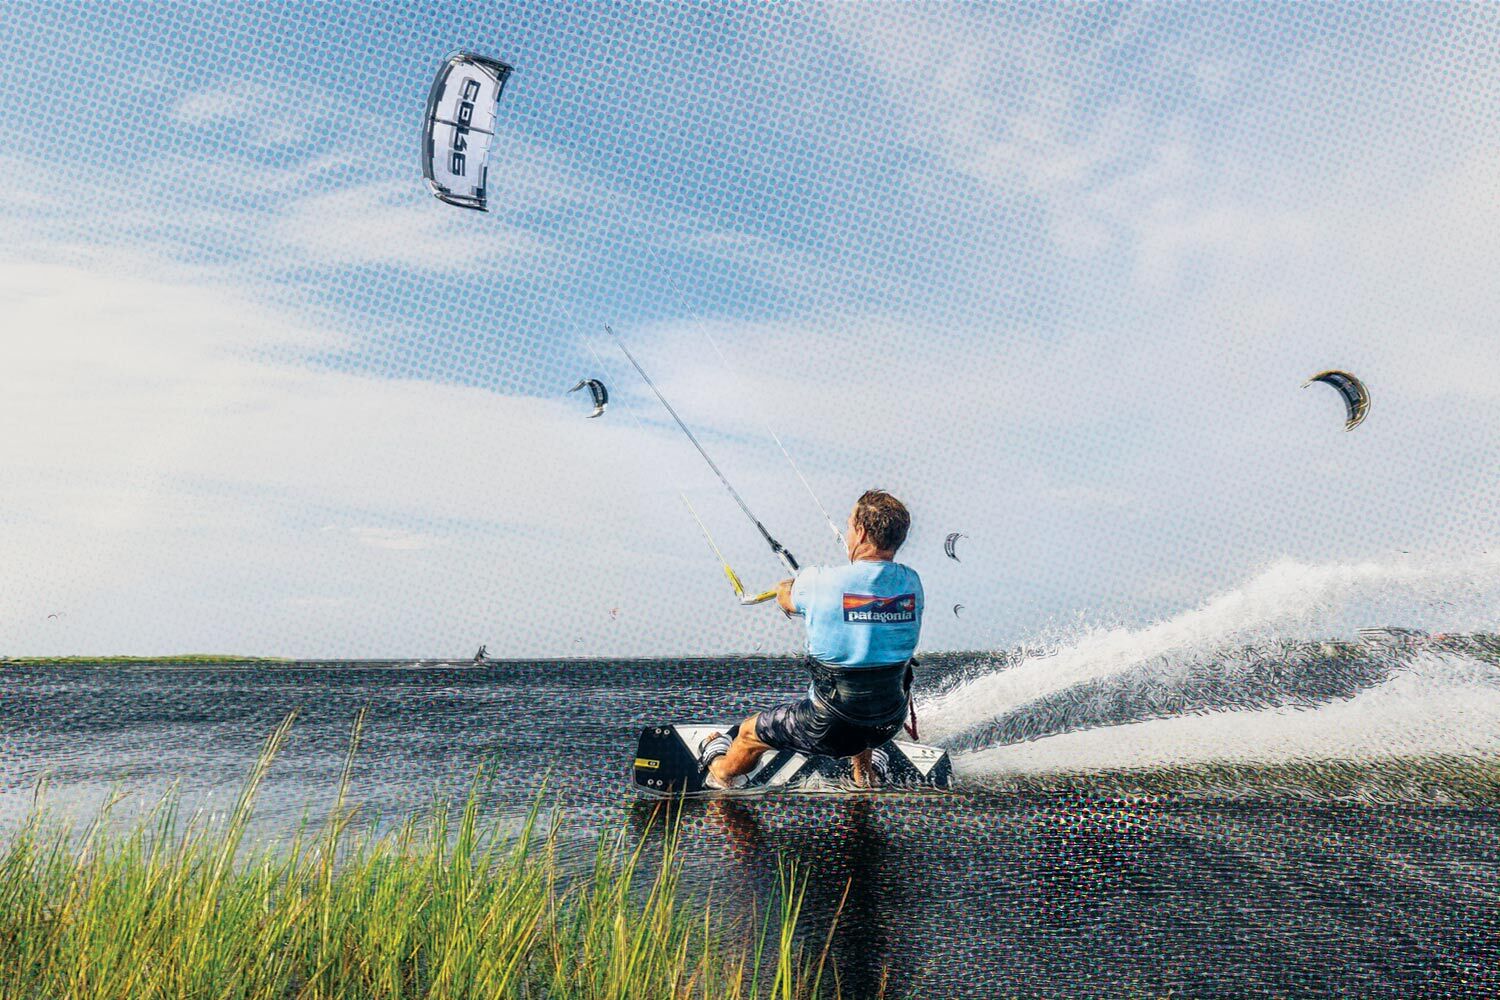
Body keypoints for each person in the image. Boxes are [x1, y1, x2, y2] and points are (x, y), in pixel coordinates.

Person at [700, 489, 923, 788]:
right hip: (887, 722)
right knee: (868, 677)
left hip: (829, 727)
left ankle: (720, 771)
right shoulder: (912, 583)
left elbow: (786, 599)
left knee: (749, 734)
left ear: (860, 531)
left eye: (848, 525)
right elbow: (866, 613)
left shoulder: (817, 581)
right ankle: (862, 773)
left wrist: (790, 588)